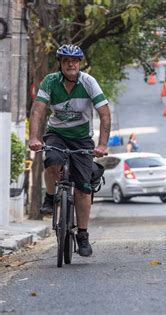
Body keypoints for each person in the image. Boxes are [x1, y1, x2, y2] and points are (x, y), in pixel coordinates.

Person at [29, 44, 110, 257]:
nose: (71, 64)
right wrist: (34, 138)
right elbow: (38, 111)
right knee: (52, 160)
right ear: (61, 64)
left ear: (80, 64)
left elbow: (104, 114)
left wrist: (102, 144)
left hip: (82, 140)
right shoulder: (50, 82)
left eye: (74, 61)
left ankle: (82, 235)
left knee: (84, 188)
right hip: (57, 134)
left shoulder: (89, 82)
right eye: (66, 61)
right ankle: (49, 197)